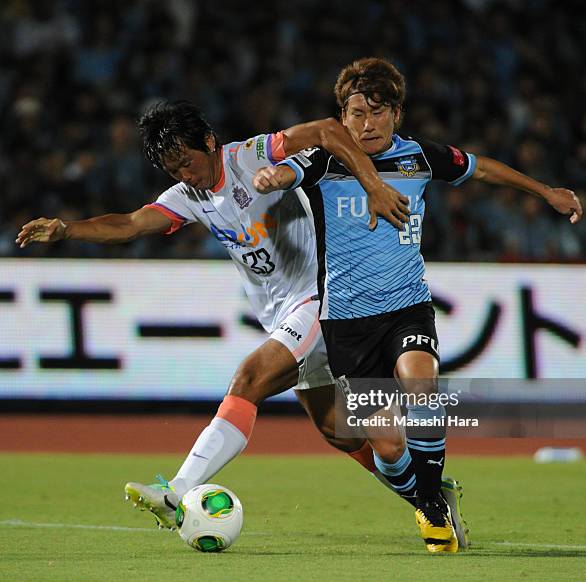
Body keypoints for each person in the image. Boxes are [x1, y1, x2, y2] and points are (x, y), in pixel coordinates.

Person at [16, 100, 469, 546]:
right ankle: (431, 498)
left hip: (322, 296)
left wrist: (370, 182)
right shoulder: (187, 196)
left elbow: (329, 129)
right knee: (340, 432)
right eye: (174, 171)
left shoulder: (253, 154)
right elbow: (132, 224)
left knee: (248, 379)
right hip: (282, 314)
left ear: (210, 142)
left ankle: (175, 492)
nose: (186, 176)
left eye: (188, 163)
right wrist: (68, 230)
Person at [254, 57, 582, 553]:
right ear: (341, 118)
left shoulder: (419, 158)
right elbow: (286, 172)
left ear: (397, 114)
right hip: (345, 320)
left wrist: (546, 192)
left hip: (407, 306)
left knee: (422, 385)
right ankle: (433, 503)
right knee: (387, 444)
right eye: (356, 114)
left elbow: (481, 168)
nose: (367, 124)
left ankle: (432, 508)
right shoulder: (325, 160)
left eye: (378, 113)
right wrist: (271, 179)